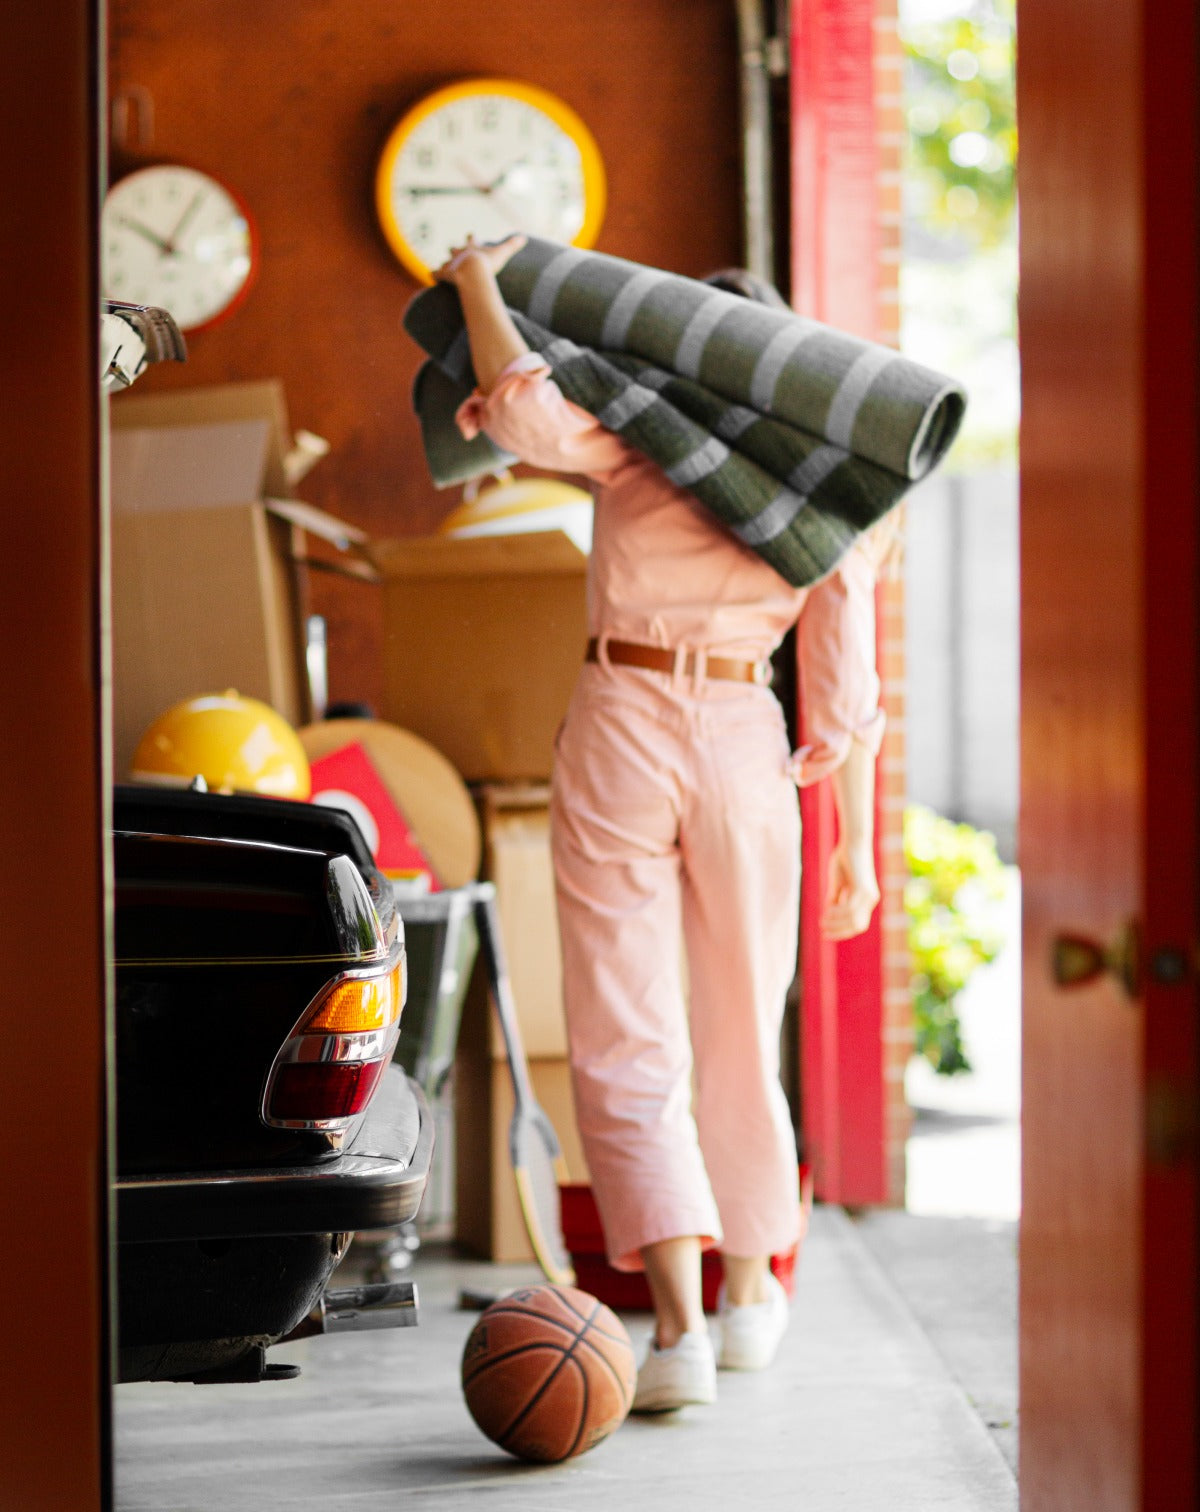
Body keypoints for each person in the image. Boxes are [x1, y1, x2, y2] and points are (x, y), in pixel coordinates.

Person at [430, 234, 887, 1413]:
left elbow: (523, 415)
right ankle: (748, 1296)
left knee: (628, 1029)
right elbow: (845, 695)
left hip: (625, 710)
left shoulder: (644, 434)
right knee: (740, 1025)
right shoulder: (822, 477)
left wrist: (479, 276)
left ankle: (680, 1330)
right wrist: (853, 845)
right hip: (747, 729)